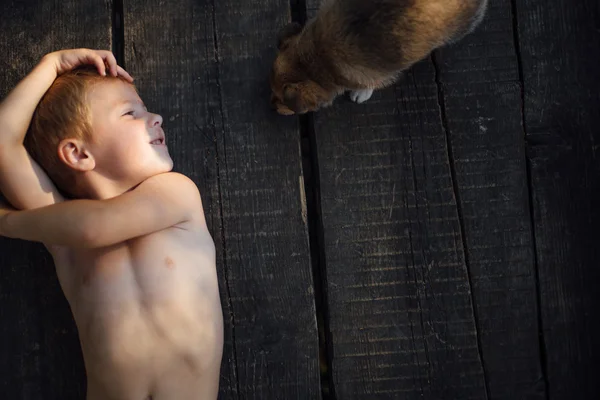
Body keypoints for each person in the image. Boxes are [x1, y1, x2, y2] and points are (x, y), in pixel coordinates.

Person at [0, 48, 223, 400]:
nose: (156, 117)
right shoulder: (61, 232)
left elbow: (93, 228)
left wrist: (8, 222)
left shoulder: (176, 195)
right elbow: (2, 144)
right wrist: (51, 64)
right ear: (78, 154)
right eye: (130, 113)